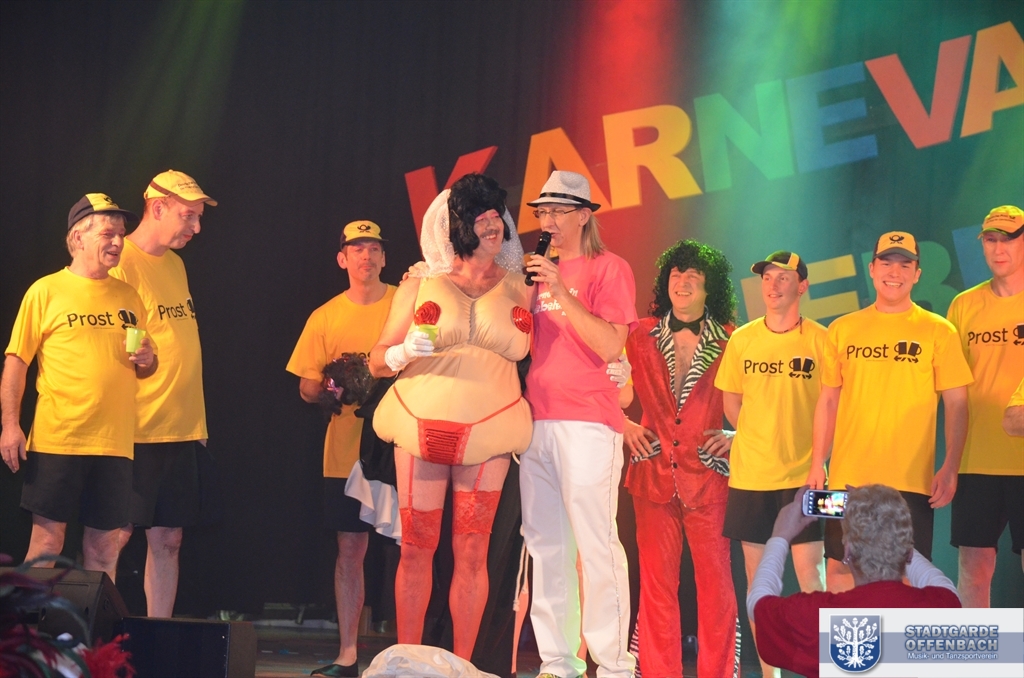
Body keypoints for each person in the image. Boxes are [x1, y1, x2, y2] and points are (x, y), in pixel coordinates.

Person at [369, 173, 531, 661]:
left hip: (489, 432)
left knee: (473, 552)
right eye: (481, 218)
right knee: (416, 547)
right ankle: (407, 660)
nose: (493, 225)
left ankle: (461, 665)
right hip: (421, 425)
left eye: (497, 215)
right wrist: (400, 353)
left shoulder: (524, 287)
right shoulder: (421, 282)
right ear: (459, 226)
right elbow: (376, 360)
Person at [1, 194, 156, 583]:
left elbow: (144, 367)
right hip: (60, 438)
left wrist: (148, 359)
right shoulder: (46, 291)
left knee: (104, 548)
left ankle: (95, 626)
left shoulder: (129, 296)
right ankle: (31, 624)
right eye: (108, 233)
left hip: (115, 443)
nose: (118, 241)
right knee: (47, 544)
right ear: (78, 237)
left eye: (121, 234)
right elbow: (16, 362)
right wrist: (10, 425)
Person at [807, 231, 973, 592]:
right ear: (871, 268)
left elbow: (957, 403)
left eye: (905, 265)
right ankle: (851, 635)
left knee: (905, 577)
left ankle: (895, 636)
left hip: (910, 481)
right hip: (845, 480)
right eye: (886, 263)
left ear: (917, 274)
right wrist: (818, 461)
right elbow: (829, 400)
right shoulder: (842, 328)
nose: (894, 272)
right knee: (838, 569)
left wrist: (951, 467)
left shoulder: (939, 331)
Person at [520, 170, 638, 678]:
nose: (546, 221)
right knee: (546, 545)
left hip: (589, 422)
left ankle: (613, 665)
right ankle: (557, 662)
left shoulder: (609, 268)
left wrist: (561, 291)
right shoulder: (530, 273)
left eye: (556, 212)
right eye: (541, 212)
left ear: (583, 215)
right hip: (536, 420)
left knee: (596, 544)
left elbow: (611, 345)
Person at [623, 239, 739, 678]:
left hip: (710, 477)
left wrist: (739, 435)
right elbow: (594, 380)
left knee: (717, 589)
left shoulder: (733, 339)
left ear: (711, 288)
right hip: (651, 476)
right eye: (677, 274)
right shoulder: (638, 333)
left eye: (694, 276)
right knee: (655, 586)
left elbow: (767, 400)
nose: (683, 282)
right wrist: (623, 425)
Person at [287, 219, 396, 677]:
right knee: (350, 548)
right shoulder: (325, 315)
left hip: (399, 445)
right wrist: (335, 384)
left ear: (384, 257)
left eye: (373, 248)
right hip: (346, 449)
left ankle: (414, 652)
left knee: (414, 549)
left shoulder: (404, 304)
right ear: (342, 259)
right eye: (357, 249)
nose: (365, 256)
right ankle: (348, 654)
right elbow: (306, 386)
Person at [108, 170, 216, 617]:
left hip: (181, 427)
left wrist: (196, 422)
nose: (196, 227)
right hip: (136, 428)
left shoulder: (174, 263)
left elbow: (179, 343)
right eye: (188, 216)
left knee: (169, 538)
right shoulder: (121, 263)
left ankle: (158, 636)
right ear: (157, 208)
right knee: (113, 536)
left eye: (198, 217)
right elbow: (115, 348)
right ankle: (93, 637)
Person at [715, 250, 826, 678]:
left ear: (802, 286)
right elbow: (731, 402)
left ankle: (821, 668)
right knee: (759, 582)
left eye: (784, 277)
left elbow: (833, 407)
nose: (774, 285)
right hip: (750, 477)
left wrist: (818, 460)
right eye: (767, 277)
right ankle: (769, 673)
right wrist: (757, 437)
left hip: (809, 478)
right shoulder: (742, 339)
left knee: (813, 577)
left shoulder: (822, 339)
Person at [747, 484, 961, 678]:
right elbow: (941, 584)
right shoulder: (941, 608)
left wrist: (780, 536)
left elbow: (757, 603)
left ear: (847, 551)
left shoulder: (818, 617)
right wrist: (890, 531)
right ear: (908, 552)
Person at [946, 205, 1024, 606]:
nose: (999, 249)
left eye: (1008, 239)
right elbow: (950, 388)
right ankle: (975, 647)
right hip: (975, 460)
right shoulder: (963, 305)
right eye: (991, 240)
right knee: (973, 571)